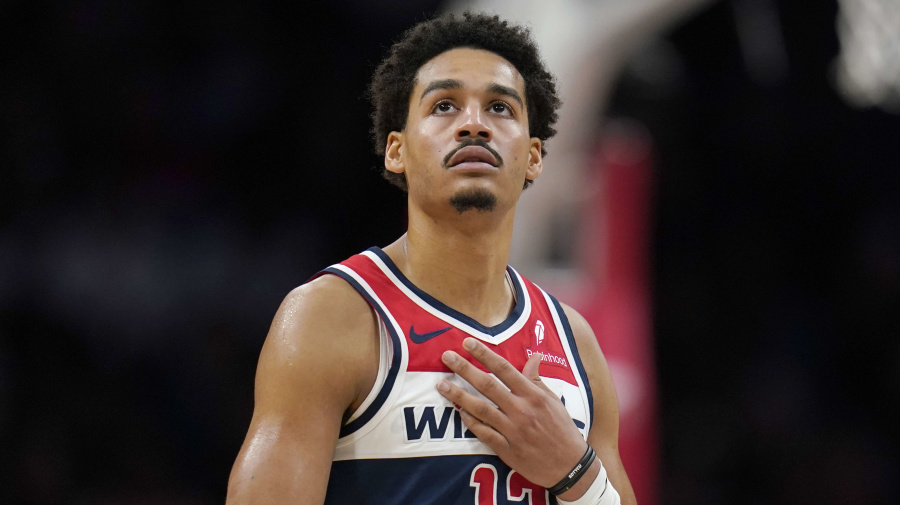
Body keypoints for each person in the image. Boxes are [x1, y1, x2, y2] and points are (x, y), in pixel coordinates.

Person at [226, 11, 637, 505]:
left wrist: (576, 473)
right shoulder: (332, 317)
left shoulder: (576, 345)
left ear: (533, 156)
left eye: (500, 108)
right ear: (396, 150)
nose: (474, 125)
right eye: (444, 105)